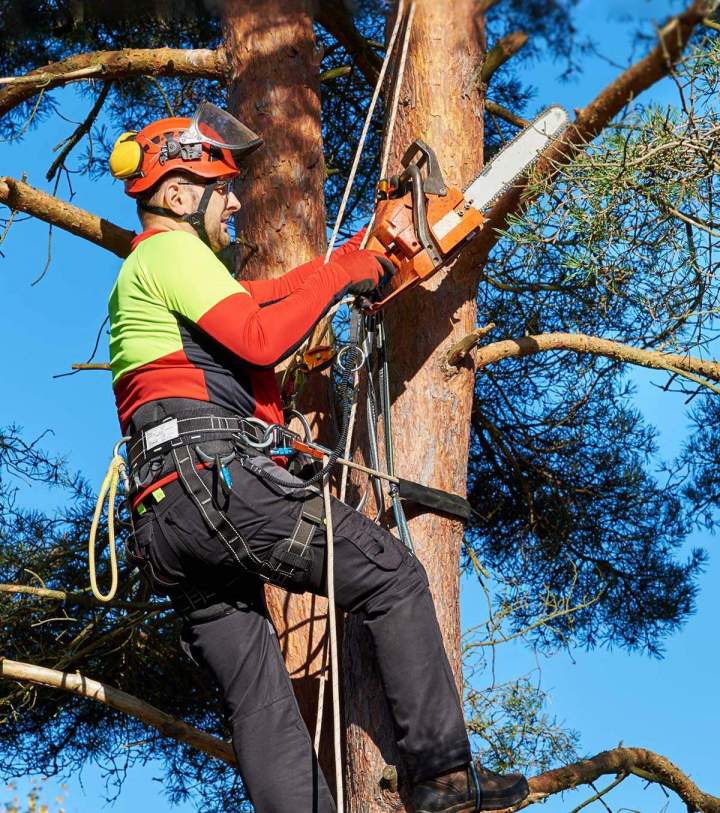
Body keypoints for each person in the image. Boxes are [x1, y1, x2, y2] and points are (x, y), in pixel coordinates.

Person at [107, 101, 530, 813]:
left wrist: (348, 263)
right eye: (222, 187)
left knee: (260, 697)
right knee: (392, 575)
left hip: (167, 518)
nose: (236, 201)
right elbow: (260, 335)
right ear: (177, 195)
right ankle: (443, 776)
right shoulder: (170, 250)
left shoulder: (152, 277)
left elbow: (259, 299)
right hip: (217, 486)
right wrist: (340, 277)